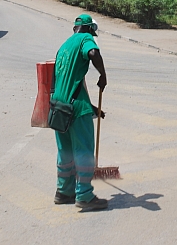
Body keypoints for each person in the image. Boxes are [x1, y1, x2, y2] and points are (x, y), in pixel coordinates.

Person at [52, 14, 108, 211]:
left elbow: (72, 82)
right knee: (83, 150)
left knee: (65, 150)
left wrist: (92, 108)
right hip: (76, 109)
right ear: (88, 28)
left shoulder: (64, 46)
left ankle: (64, 191)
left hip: (58, 106)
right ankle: (84, 195)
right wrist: (103, 75)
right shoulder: (85, 39)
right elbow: (93, 53)